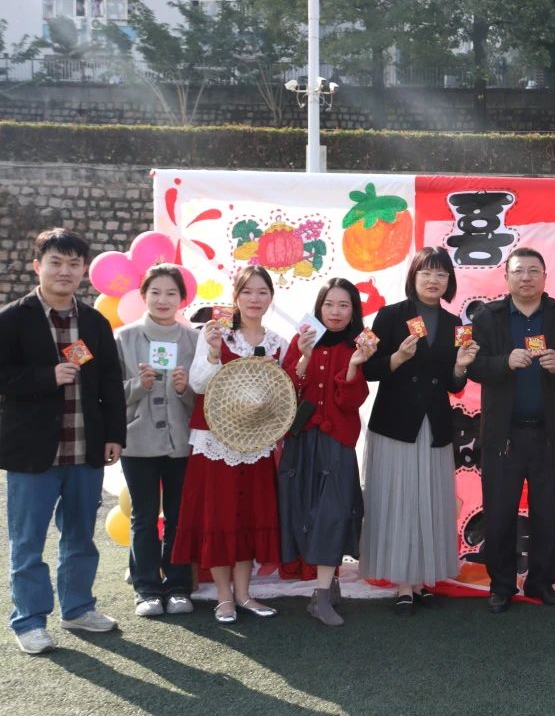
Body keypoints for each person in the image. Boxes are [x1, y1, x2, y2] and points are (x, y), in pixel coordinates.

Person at [0, 228, 126, 655]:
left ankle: (78, 609)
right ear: (37, 266)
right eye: (55, 262)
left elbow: (110, 383)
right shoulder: (12, 318)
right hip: (32, 455)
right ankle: (29, 621)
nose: (65, 271)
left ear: (84, 270)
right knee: (28, 542)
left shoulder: (93, 322)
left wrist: (114, 435)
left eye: (73, 264)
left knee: (80, 538)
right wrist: (47, 377)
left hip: (84, 451)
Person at [467, 248, 555, 613]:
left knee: (547, 513)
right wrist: (505, 362)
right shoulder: (488, 317)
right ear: (507, 277)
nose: (526, 278)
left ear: (546, 277)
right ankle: (501, 586)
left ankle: (541, 583)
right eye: (519, 271)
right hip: (503, 436)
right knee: (499, 514)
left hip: (549, 434)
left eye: (534, 271)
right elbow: (473, 366)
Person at [362, 247, 479, 615]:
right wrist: (398, 357)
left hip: (434, 423)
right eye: (426, 272)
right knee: (399, 501)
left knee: (429, 501)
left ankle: (422, 579)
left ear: (449, 281)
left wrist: (460, 367)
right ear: (413, 277)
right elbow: (369, 369)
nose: (433, 280)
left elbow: (454, 384)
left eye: (441, 274)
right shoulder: (390, 315)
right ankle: (403, 584)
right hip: (396, 423)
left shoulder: (456, 324)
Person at [172, 265, 286, 624]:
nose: (255, 299)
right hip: (215, 441)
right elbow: (199, 385)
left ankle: (245, 594)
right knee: (218, 517)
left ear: (271, 297)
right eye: (247, 291)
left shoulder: (277, 342)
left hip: (255, 443)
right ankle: (224, 597)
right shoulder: (216, 333)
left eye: (262, 292)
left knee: (249, 517)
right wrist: (212, 352)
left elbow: (282, 397)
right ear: (235, 297)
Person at [280, 278, 373, 626]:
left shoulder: (359, 345)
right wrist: (304, 358)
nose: (335, 312)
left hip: (337, 442)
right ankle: (326, 586)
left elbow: (351, 402)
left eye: (343, 305)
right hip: (302, 440)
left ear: (353, 311)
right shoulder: (303, 338)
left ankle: (321, 595)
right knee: (305, 511)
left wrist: (354, 366)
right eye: (329, 304)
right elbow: (286, 390)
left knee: (333, 511)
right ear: (319, 307)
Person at [114, 264, 199, 618]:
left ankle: (177, 586)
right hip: (138, 440)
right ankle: (146, 588)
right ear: (143, 295)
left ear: (182, 298)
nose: (163, 300)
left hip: (182, 442)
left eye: (171, 293)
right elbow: (107, 394)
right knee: (145, 516)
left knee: (179, 516)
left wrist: (184, 389)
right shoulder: (124, 338)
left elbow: (206, 397)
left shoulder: (194, 340)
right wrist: (139, 385)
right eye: (155, 292)